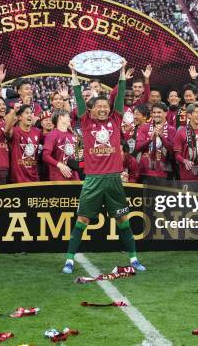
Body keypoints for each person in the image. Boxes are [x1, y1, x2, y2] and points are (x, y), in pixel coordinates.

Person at [63, 59, 146, 274]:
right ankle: (70, 260)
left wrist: (120, 72)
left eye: (105, 106)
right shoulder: (86, 121)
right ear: (91, 110)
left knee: (123, 219)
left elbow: (119, 97)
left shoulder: (116, 119)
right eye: (99, 106)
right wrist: (73, 73)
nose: (103, 109)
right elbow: (79, 98)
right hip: (93, 179)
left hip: (113, 179)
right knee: (82, 219)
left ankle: (134, 259)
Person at [135, 102, 176, 184]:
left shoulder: (171, 129)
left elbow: (172, 151)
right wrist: (150, 139)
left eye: (159, 112)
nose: (156, 115)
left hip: (164, 171)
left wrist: (162, 137)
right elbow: (138, 147)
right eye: (154, 112)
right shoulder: (144, 127)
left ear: (165, 113)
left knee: (159, 196)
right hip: (145, 171)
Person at [5, 103, 42, 183]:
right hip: (18, 179)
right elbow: (7, 131)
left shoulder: (38, 132)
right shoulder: (15, 131)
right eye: (27, 113)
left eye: (31, 113)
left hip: (34, 178)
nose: (30, 115)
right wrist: (14, 111)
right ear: (20, 117)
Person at [42, 109, 79, 181]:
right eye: (68, 116)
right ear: (60, 117)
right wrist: (60, 165)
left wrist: (80, 157)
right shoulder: (52, 135)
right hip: (59, 179)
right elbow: (45, 156)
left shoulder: (73, 136)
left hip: (75, 178)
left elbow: (79, 158)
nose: (70, 119)